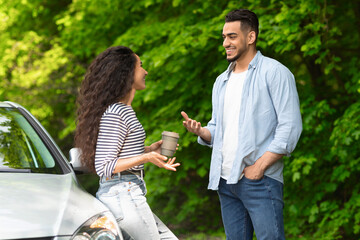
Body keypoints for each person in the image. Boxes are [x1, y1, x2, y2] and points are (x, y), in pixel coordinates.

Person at [181, 9, 302, 240]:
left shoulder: (275, 73)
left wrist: (259, 167)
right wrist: (202, 132)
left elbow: (290, 127)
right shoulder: (221, 81)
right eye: (224, 37)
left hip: (260, 180)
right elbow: (217, 129)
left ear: (251, 37)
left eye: (232, 36)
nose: (226, 42)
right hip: (225, 182)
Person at [75, 46, 180, 240]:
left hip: (129, 192)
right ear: (126, 73)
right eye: (140, 66)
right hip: (123, 193)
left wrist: (150, 149)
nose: (145, 71)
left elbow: (120, 154)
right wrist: (147, 156)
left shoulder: (124, 110)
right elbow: (104, 166)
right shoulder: (116, 113)